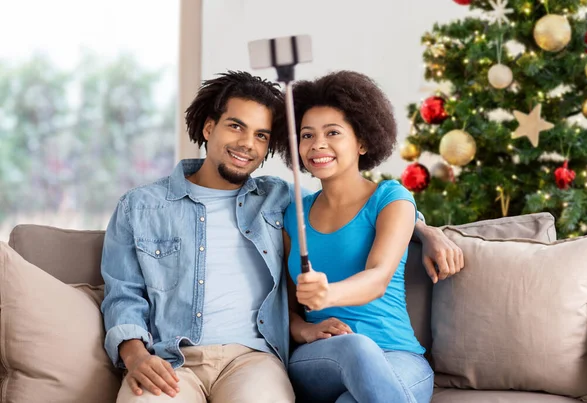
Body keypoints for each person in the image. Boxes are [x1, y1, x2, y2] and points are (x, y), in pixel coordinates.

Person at [101, 70, 463, 403]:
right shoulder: (144, 207)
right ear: (209, 127)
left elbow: (370, 218)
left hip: (268, 358)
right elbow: (123, 293)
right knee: (355, 351)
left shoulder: (276, 198)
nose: (247, 144)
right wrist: (135, 354)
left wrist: (424, 229)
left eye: (261, 135)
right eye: (235, 127)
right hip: (176, 358)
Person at [280, 71, 449, 403]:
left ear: (363, 141)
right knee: (355, 347)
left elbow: (377, 279)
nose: (317, 145)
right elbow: (285, 309)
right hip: (320, 356)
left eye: (333, 133)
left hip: (398, 356)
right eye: (307, 135)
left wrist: (327, 293)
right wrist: (306, 330)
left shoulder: (391, 199)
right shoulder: (292, 215)